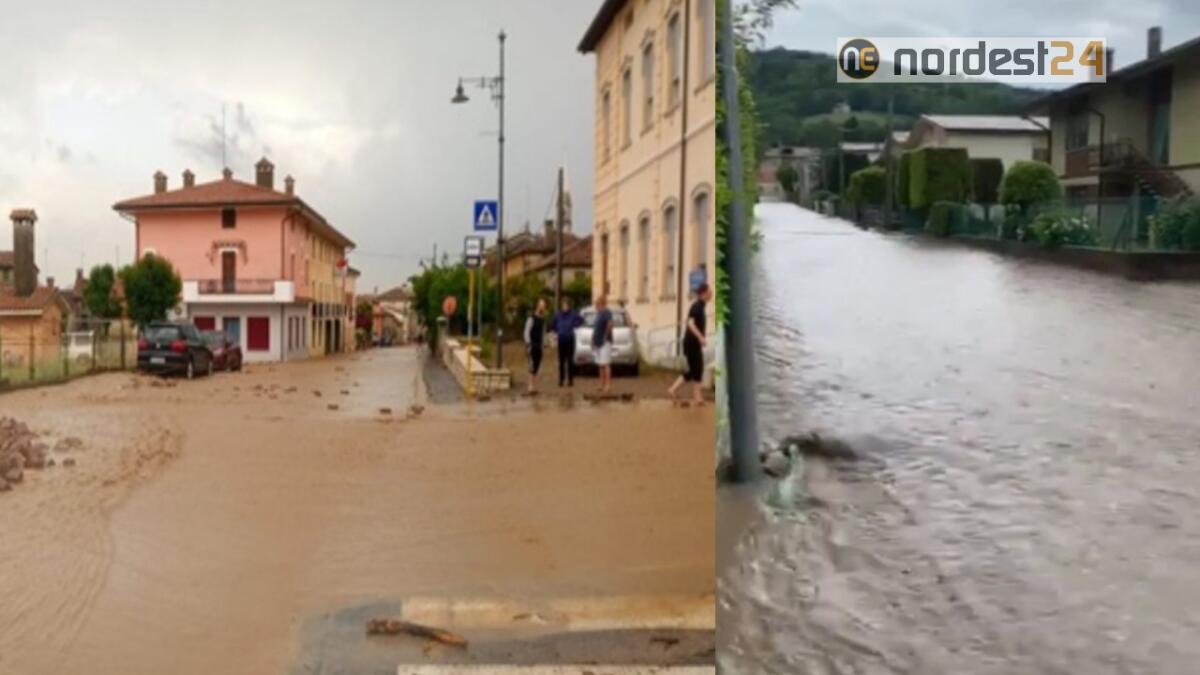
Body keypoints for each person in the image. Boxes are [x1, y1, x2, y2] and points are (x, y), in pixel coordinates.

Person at [670, 283, 710, 406]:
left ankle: (694, 395)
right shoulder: (696, 306)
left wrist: (701, 339)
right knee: (696, 369)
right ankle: (694, 396)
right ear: (703, 293)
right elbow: (690, 324)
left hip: (694, 343)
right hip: (691, 343)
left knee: (696, 370)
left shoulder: (701, 306)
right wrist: (700, 337)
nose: (711, 294)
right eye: (709, 292)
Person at [551, 297, 583, 387]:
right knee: (561, 361)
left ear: (569, 306)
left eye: (566, 305)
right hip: (561, 339)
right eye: (563, 305)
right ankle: (561, 380)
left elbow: (581, 320)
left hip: (570, 339)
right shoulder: (558, 314)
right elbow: (553, 324)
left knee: (570, 361)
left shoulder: (573, 314)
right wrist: (557, 331)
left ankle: (570, 380)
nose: (564, 307)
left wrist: (574, 326)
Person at [523, 298, 548, 395]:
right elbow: (526, 331)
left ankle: (534, 385)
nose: (543, 307)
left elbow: (543, 333)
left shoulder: (542, 319)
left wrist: (544, 344)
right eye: (541, 305)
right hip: (532, 344)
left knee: (537, 365)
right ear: (537, 306)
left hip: (539, 345)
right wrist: (528, 343)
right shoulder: (531, 318)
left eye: (544, 305)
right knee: (532, 365)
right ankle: (530, 386)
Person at [592, 295, 615, 394]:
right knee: (600, 364)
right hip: (597, 342)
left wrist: (605, 337)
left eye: (597, 304)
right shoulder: (598, 314)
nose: (595, 306)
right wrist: (593, 340)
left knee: (605, 364)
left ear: (601, 303)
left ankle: (608, 385)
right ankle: (601, 384)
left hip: (604, 342)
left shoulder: (606, 312)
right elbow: (596, 328)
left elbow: (609, 324)